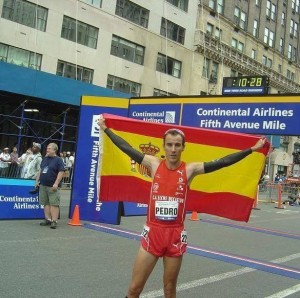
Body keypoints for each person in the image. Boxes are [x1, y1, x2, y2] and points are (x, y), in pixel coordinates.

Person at [98, 116, 266, 298]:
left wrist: (251, 149)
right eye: (169, 145)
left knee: (169, 290)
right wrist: (106, 129)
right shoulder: (154, 164)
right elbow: (127, 148)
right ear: (164, 146)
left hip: (174, 235)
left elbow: (222, 162)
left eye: (177, 145)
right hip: (153, 233)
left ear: (183, 147)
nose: (173, 149)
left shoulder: (190, 169)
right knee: (134, 289)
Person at [35, 143, 65, 229]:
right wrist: (37, 181)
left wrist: (56, 183)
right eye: (47, 148)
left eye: (49, 148)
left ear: (54, 150)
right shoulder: (45, 159)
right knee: (45, 203)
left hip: (52, 186)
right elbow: (41, 170)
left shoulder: (58, 160)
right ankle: (47, 219)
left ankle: (54, 221)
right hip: (43, 185)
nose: (47, 150)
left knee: (54, 204)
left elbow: (61, 172)